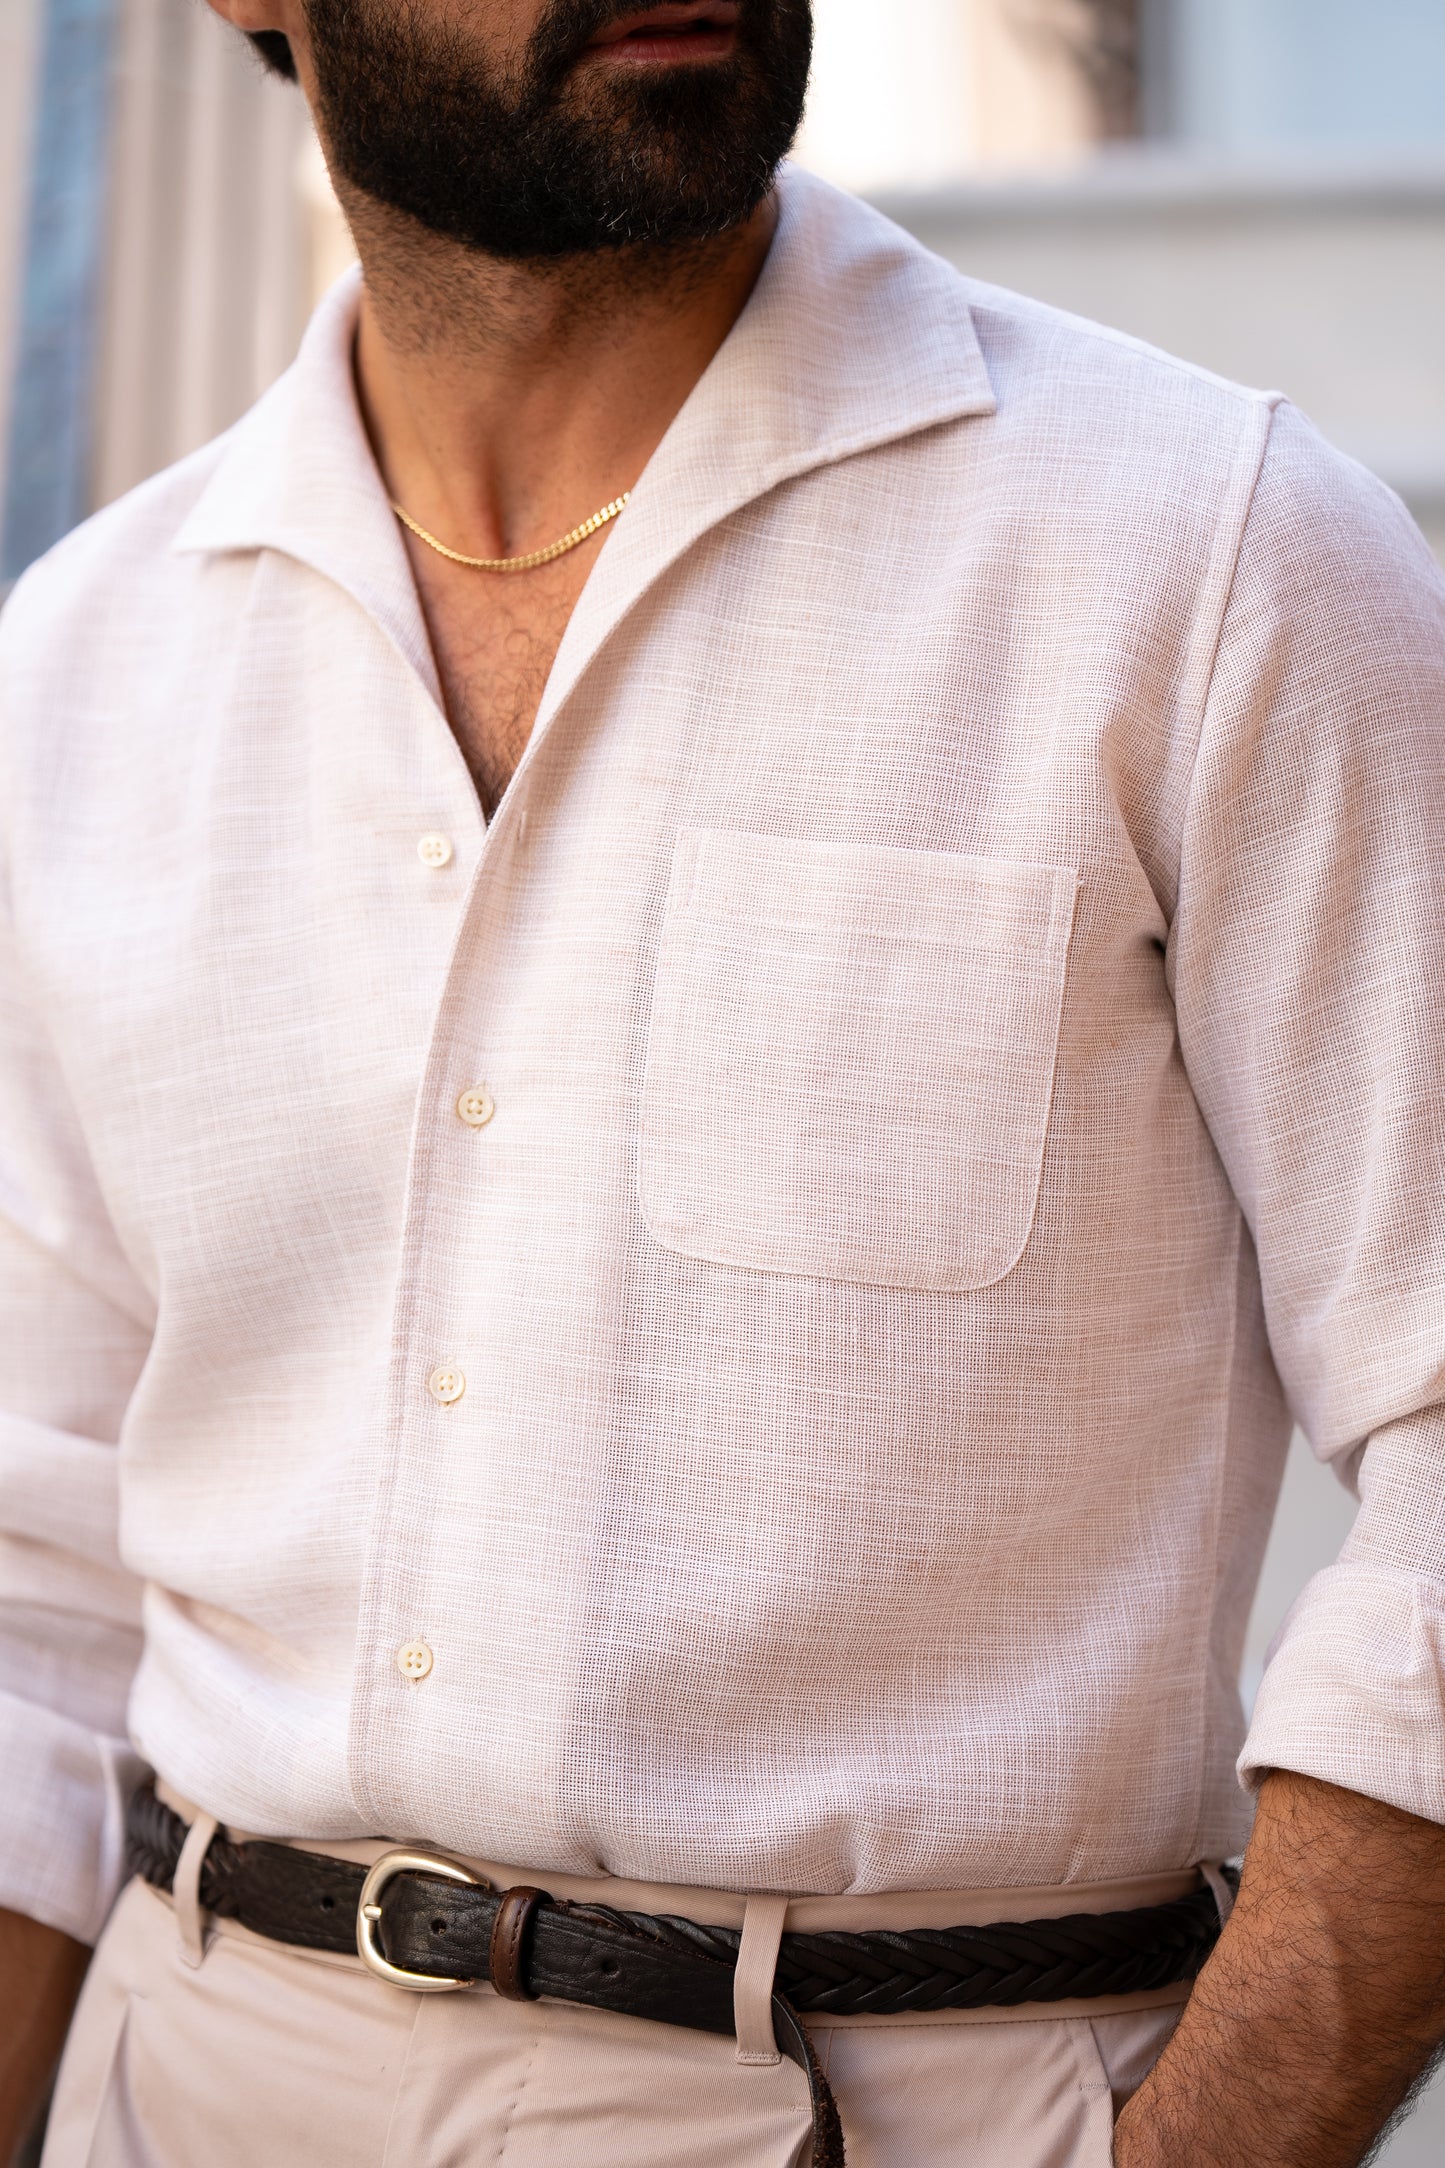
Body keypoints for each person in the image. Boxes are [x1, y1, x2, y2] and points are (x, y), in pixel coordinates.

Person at [2, 0, 1445, 2160]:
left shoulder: (1216, 558)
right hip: (190, 2072)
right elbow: (33, 1587)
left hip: (917, 2087)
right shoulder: (88, 666)